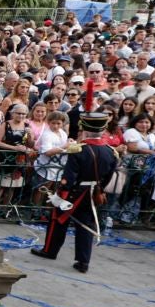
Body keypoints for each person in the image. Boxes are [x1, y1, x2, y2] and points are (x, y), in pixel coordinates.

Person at [28, 111, 120, 273]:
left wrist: (60, 194)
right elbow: (109, 177)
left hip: (74, 193)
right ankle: (83, 262)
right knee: (85, 226)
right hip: (93, 193)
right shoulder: (110, 151)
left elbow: (68, 177)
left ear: (83, 128)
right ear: (103, 129)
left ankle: (50, 251)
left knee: (58, 220)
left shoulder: (78, 150)